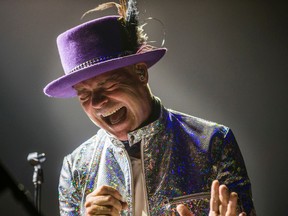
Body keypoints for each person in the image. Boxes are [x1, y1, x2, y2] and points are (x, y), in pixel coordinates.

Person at [43, 1, 256, 215]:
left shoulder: (213, 142)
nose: (97, 102)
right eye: (84, 95)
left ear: (141, 73)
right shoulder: (76, 168)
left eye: (108, 84)